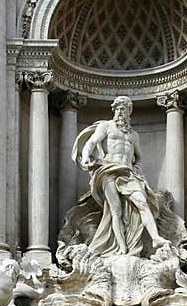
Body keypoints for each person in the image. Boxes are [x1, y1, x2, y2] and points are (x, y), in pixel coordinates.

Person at [71, 96, 170, 256]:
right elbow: (91, 142)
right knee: (115, 210)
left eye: (124, 108)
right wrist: (86, 157)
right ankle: (122, 249)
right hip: (108, 169)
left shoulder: (133, 135)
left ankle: (156, 238)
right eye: (118, 108)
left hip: (128, 173)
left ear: (129, 112)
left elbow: (139, 155)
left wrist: (136, 167)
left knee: (142, 202)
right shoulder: (106, 126)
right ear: (114, 110)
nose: (120, 111)